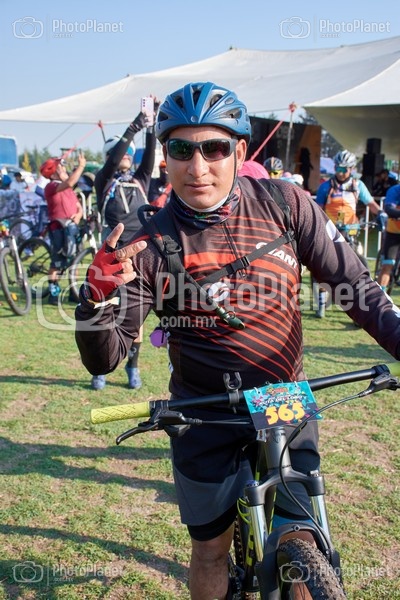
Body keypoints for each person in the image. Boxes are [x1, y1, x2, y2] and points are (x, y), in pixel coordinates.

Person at [75, 81, 400, 600]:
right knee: (211, 551)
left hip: (281, 396)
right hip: (203, 409)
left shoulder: (284, 203)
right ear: (165, 157)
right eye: (181, 149)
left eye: (214, 148)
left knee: (301, 535)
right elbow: (107, 357)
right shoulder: (145, 240)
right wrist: (96, 301)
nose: (197, 166)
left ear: (240, 151)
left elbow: (356, 287)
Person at [91, 100, 158, 391]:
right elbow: (115, 157)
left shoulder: (141, 179)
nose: (128, 156)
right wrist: (134, 126)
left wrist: (151, 124)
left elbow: (150, 155)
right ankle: (100, 367)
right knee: (103, 313)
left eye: (130, 153)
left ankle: (133, 365)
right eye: (123, 153)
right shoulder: (104, 179)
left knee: (134, 318)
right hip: (111, 257)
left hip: (139, 256)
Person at [40, 155, 85, 305]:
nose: (64, 169)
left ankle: (73, 292)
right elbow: (70, 181)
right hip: (58, 228)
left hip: (71, 228)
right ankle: (53, 292)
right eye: (61, 168)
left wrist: (78, 214)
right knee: (57, 262)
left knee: (75, 261)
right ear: (54, 173)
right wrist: (81, 166)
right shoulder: (51, 186)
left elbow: (78, 206)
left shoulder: (68, 189)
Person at [316, 150, 382, 225]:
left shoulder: (358, 185)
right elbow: (318, 209)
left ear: (351, 168)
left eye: (344, 170)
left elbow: (371, 203)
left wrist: (381, 213)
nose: (340, 173)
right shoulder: (325, 186)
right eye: (338, 169)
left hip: (351, 227)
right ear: (334, 167)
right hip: (331, 228)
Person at [376, 182, 400, 292]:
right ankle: (380, 296)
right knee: (387, 266)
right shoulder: (395, 190)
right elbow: (389, 209)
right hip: (393, 233)